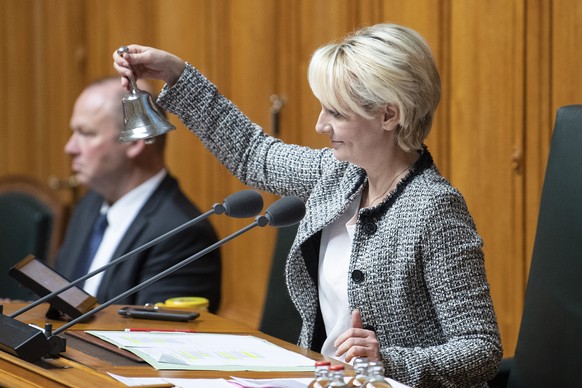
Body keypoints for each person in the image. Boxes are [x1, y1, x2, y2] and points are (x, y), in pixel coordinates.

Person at [113, 23, 502, 387]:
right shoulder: (336, 175)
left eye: (335, 111)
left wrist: (387, 361)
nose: (320, 125)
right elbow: (252, 153)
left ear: (389, 115)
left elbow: (482, 349)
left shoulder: (435, 209)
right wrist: (177, 74)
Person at [54, 77, 222, 313]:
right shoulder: (89, 205)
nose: (70, 148)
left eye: (86, 133)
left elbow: (153, 338)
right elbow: (52, 297)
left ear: (135, 141)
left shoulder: (183, 233)